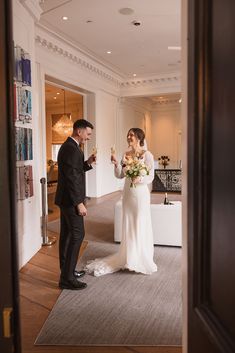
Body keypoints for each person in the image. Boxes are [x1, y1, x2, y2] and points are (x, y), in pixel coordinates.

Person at [85, 128, 157, 276]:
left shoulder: (147, 155)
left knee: (140, 221)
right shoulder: (126, 154)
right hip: (129, 193)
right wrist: (116, 164)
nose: (128, 136)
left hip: (141, 193)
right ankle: (129, 256)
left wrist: (140, 179)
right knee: (129, 222)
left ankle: (141, 256)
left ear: (139, 137)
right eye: (128, 134)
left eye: (131, 135)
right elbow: (120, 175)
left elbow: (151, 176)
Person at [55, 119, 96, 290]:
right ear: (79, 132)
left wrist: (87, 163)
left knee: (67, 235)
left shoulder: (71, 147)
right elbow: (72, 179)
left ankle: (67, 271)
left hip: (65, 199)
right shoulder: (71, 149)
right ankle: (67, 279)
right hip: (71, 201)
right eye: (88, 134)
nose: (88, 138)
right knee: (78, 235)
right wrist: (79, 203)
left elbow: (75, 170)